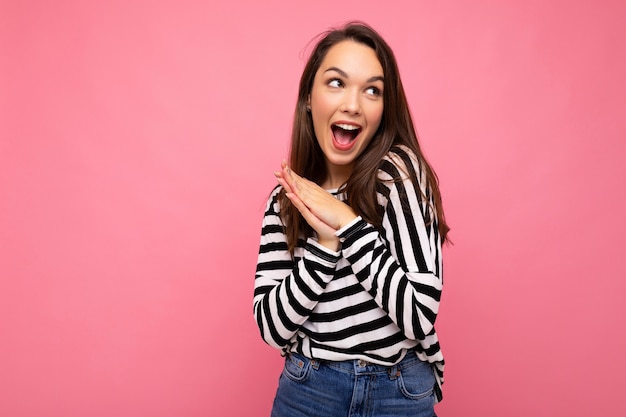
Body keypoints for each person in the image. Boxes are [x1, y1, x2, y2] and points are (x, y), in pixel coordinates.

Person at [253, 22, 450, 417]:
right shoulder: (289, 200)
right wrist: (325, 246)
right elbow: (272, 329)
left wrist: (346, 223)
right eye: (336, 83)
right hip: (309, 389)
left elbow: (418, 314)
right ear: (309, 97)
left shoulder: (400, 176)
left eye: (372, 90)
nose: (353, 105)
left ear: (384, 109)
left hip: (399, 391)